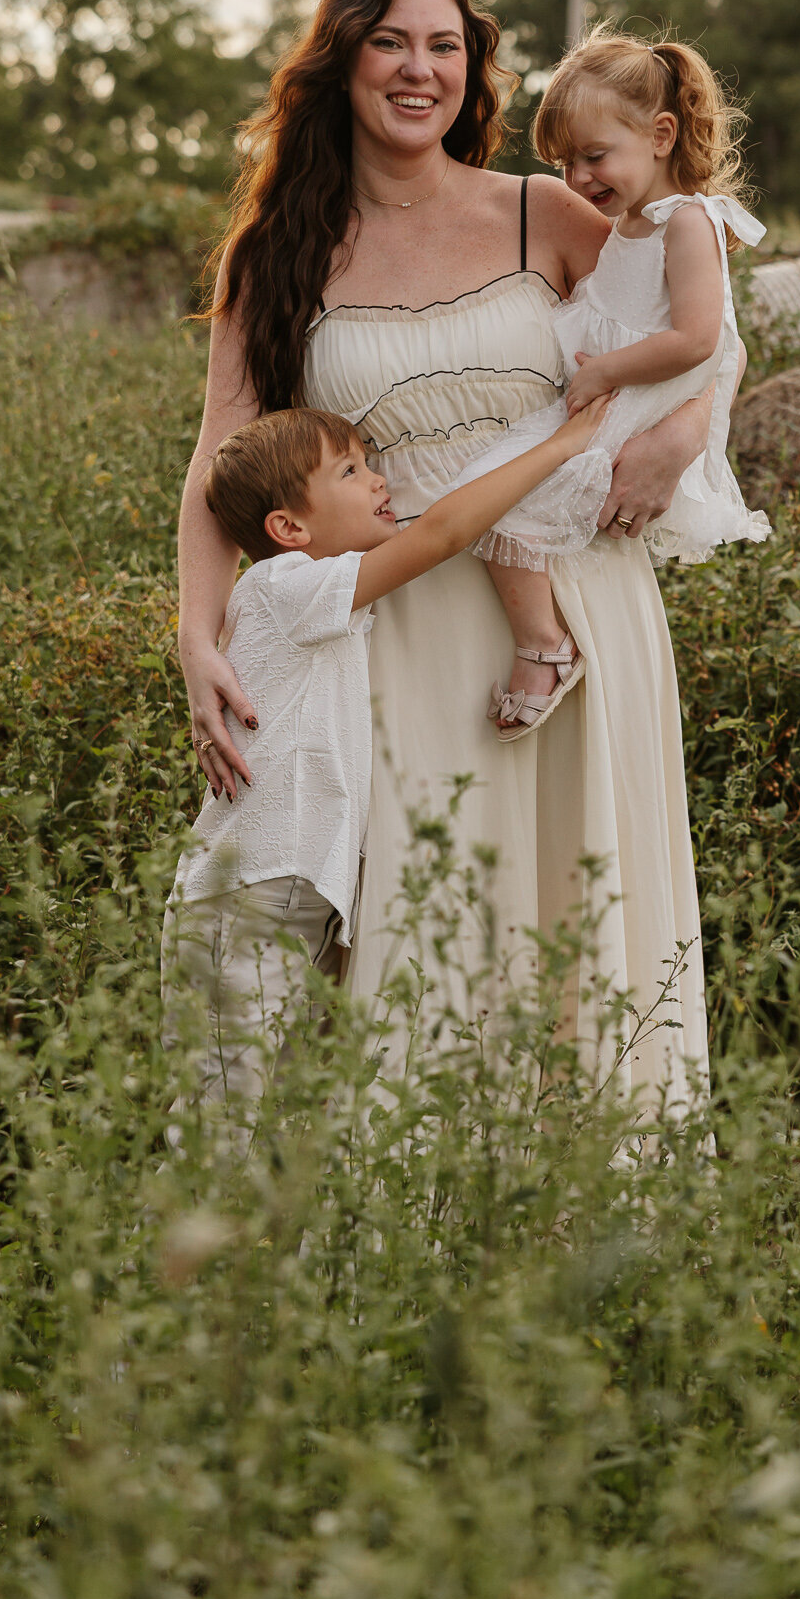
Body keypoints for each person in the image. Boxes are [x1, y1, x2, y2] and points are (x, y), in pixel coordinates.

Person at [177, 0, 738, 1116]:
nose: (420, 69)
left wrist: (685, 432)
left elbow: (702, 326)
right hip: (387, 627)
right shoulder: (276, 249)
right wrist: (198, 636)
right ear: (343, 63)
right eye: (392, 42)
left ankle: (592, 1226)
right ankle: (411, 1240)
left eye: (445, 45)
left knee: (579, 911)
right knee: (427, 922)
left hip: (578, 606)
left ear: (473, 69)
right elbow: (216, 463)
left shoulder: (547, 209)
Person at [164, 397, 609, 1124]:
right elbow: (440, 534)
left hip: (280, 893)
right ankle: (185, 1236)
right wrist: (561, 445)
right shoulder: (286, 588)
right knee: (219, 1115)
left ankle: (253, 1235)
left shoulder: (308, 594)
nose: (378, 481)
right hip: (246, 896)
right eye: (350, 470)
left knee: (273, 1107)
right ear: (288, 529)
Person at [449, 30, 769, 738]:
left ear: (660, 135)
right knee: (495, 489)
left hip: (642, 392)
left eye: (594, 156)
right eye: (565, 163)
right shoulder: (630, 221)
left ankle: (545, 648)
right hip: (617, 385)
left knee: (508, 501)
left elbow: (700, 338)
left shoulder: (687, 222)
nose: (578, 179)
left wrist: (606, 373)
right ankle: (546, 638)